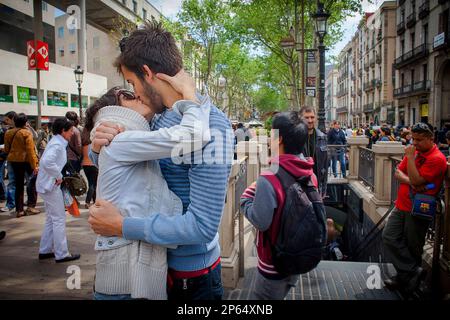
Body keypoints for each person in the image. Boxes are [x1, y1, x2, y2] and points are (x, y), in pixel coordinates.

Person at [87, 21, 233, 301]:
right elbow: (135, 168)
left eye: (132, 84)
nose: (135, 94)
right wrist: (100, 146)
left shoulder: (214, 126)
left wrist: (121, 226)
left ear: (147, 73)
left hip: (191, 276)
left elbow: (201, 227)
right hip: (153, 266)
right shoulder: (157, 115)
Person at [240, 112, 319, 299]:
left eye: (272, 134)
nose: (269, 140)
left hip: (273, 264)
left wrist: (245, 199)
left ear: (280, 139)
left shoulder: (269, 178)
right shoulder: (309, 173)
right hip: (296, 257)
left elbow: (261, 221)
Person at [382, 122, 447, 294]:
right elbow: (398, 172)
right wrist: (413, 181)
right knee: (389, 236)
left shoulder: (437, 159)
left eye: (419, 140)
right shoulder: (416, 152)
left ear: (430, 139)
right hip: (401, 204)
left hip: (419, 208)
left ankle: (407, 282)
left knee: (413, 246)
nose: (414, 143)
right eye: (413, 139)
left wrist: (410, 160)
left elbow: (419, 180)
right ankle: (412, 272)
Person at [37, 117, 80, 263]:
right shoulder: (57, 144)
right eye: (69, 131)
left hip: (47, 185)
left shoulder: (56, 142)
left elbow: (46, 161)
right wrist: (58, 175)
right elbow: (46, 161)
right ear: (63, 131)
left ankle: (45, 249)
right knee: (58, 219)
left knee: (51, 218)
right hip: (50, 185)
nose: (72, 133)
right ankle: (62, 253)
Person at [4, 113, 40, 218]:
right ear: (25, 122)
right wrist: (35, 165)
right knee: (32, 182)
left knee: (18, 185)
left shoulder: (8, 133)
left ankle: (19, 210)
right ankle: (31, 206)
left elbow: (6, 149)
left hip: (14, 161)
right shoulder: (26, 133)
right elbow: (30, 151)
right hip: (26, 161)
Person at [300, 106, 328, 198]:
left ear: (316, 118)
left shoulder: (322, 137)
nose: (310, 120)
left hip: (317, 186)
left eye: (312, 117)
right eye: (306, 117)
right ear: (300, 118)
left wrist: (324, 189)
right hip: (301, 186)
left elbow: (325, 166)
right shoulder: (296, 137)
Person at [0, 111, 17, 212]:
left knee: (21, 182)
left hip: (21, 160)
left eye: (7, 120)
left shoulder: (23, 130)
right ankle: (12, 204)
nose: (5, 122)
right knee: (13, 182)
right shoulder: (8, 131)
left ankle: (18, 204)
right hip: (11, 159)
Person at [81, 129, 98, 209]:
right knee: (93, 184)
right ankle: (88, 202)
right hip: (93, 165)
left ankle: (94, 201)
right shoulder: (94, 144)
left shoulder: (84, 144)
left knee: (91, 183)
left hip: (85, 165)